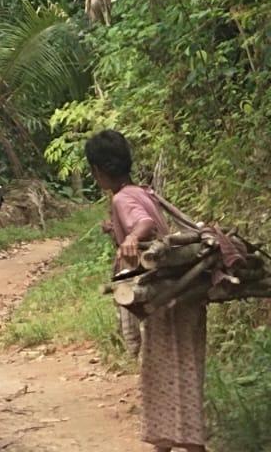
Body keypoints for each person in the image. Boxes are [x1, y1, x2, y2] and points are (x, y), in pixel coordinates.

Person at [86, 129, 207, 452]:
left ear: (97, 170)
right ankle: (181, 442)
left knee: (160, 371)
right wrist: (117, 229)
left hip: (163, 297)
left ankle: (176, 444)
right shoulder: (142, 191)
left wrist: (130, 237)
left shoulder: (123, 198)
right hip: (183, 292)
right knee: (185, 368)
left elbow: (144, 224)